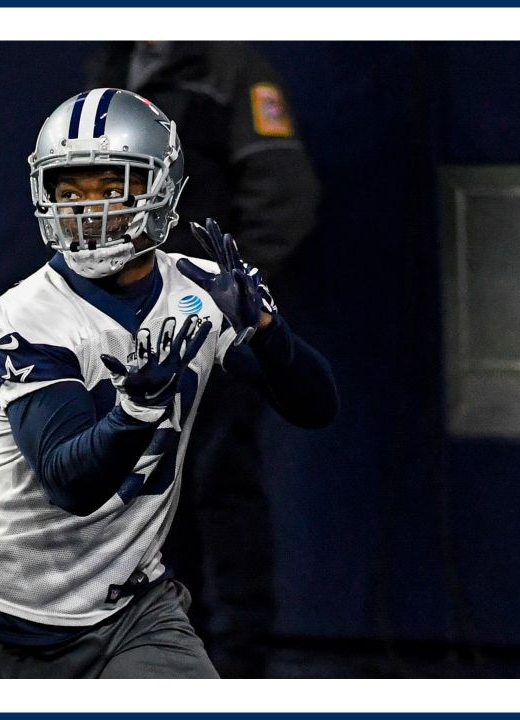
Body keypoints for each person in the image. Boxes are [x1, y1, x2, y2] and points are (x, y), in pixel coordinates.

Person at [0, 88, 337, 678]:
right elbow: (71, 482)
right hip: (1, 608)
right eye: (71, 192)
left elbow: (316, 406)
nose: (89, 212)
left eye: (110, 190)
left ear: (160, 189)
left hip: (129, 605)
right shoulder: (28, 314)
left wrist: (269, 333)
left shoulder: (200, 289)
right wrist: (136, 411)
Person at [89, 41, 321, 677]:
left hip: (212, 332)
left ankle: (241, 661)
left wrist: (227, 299)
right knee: (144, 495)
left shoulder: (232, 69)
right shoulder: (109, 68)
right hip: (126, 328)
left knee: (221, 487)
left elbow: (285, 194)